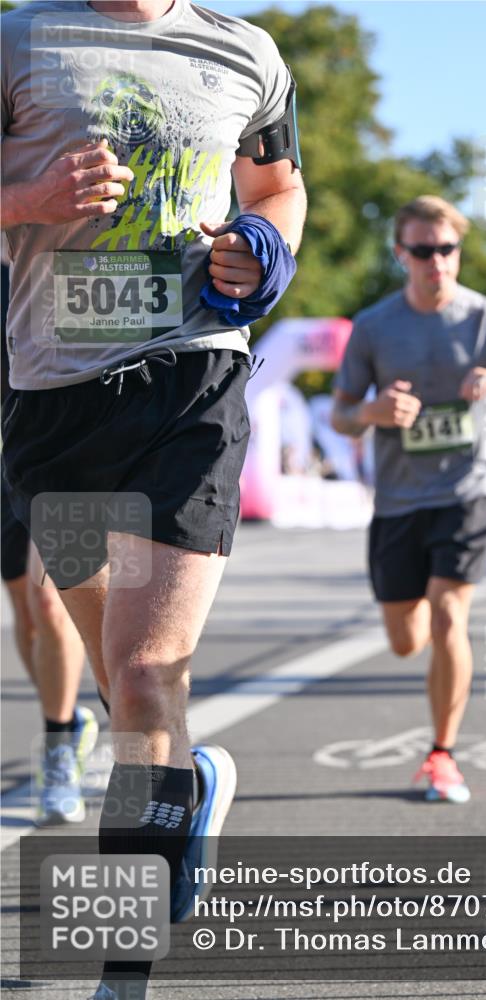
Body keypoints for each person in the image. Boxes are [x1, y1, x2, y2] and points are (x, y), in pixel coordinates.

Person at [1, 2, 306, 998]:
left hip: (191, 387)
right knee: (116, 679)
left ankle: (121, 965)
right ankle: (188, 781)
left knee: (140, 673)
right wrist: (29, 195)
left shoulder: (245, 49)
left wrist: (262, 242)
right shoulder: (17, 39)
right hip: (55, 399)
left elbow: (277, 184)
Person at [332, 195, 486, 804]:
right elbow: (340, 414)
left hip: (467, 491)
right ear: (401, 254)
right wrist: (373, 410)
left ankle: (442, 754)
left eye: (446, 250)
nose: (437, 262)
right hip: (396, 501)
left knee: (449, 616)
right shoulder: (373, 326)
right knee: (405, 638)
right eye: (422, 251)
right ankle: (430, 701)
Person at [2, 259, 99, 826]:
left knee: (51, 602)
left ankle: (59, 748)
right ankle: (70, 718)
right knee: (27, 615)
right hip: (5, 459)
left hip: (66, 453)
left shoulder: (67, 251)